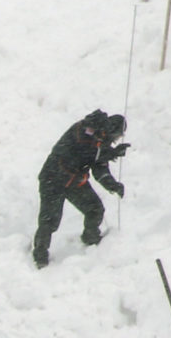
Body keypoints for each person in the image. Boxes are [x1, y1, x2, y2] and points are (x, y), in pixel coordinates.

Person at [32, 110, 128, 267]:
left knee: (95, 209)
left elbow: (100, 168)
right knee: (49, 220)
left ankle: (91, 239)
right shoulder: (83, 130)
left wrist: (113, 185)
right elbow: (84, 153)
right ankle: (40, 256)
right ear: (112, 130)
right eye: (118, 136)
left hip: (74, 182)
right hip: (53, 179)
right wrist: (110, 153)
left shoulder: (102, 144)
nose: (117, 140)